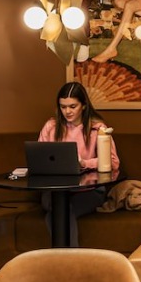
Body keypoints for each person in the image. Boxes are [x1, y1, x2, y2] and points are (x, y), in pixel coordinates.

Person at [37, 81, 121, 243]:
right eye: (63, 107)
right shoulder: (51, 126)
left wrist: (84, 163)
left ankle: (64, 257)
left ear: (83, 105)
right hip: (55, 192)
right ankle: (72, 258)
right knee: (59, 207)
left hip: (89, 191)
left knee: (59, 213)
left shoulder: (97, 128)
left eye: (72, 106)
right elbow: (41, 157)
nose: (67, 111)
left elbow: (113, 162)